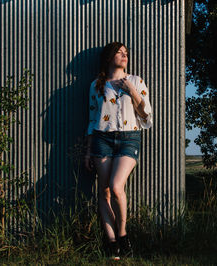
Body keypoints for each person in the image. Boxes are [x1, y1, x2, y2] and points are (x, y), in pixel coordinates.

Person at [84, 42, 153, 260]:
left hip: (129, 138)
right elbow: (92, 119)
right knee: (103, 192)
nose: (124, 55)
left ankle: (123, 233)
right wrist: (88, 151)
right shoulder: (96, 85)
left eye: (126, 53)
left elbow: (145, 113)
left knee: (115, 187)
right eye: (119, 52)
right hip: (101, 139)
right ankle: (112, 242)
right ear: (108, 57)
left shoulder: (135, 80)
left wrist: (132, 91)